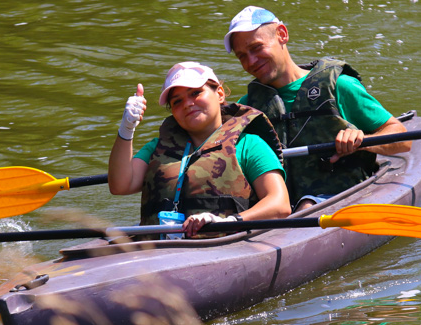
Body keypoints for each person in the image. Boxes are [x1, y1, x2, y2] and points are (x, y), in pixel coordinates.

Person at [223, 6, 411, 211]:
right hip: (276, 206)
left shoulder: (340, 87)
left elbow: (403, 138)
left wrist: (362, 141)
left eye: (257, 48)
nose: (250, 61)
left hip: (336, 197)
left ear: (282, 35)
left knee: (306, 206)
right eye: (242, 56)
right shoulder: (247, 109)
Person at [108, 61, 290, 238]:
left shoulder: (250, 145)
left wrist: (230, 221)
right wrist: (126, 128)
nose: (187, 104)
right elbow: (120, 185)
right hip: (157, 251)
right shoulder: (157, 148)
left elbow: (280, 205)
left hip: (225, 246)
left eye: (195, 93)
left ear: (219, 93)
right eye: (177, 101)